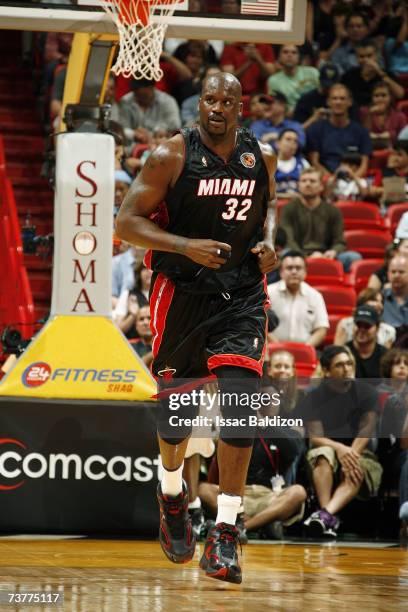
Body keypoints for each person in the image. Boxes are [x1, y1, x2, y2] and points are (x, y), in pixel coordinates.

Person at [115, 72, 278, 584]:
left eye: (227, 100)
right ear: (199, 102)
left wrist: (269, 248)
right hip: (182, 292)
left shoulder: (261, 158)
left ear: (239, 105)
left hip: (242, 294)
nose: (217, 106)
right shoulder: (170, 156)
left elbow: (265, 216)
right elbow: (125, 223)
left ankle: (226, 532)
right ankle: (170, 492)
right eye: (210, 98)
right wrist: (185, 245)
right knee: (177, 409)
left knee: (240, 399)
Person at [301, 345, 382, 538]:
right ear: (327, 372)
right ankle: (326, 517)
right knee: (323, 455)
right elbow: (315, 437)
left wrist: (350, 454)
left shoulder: (367, 392)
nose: (347, 369)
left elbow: (367, 430)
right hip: (327, 448)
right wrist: (339, 448)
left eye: (349, 363)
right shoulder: (313, 397)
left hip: (361, 451)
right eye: (340, 365)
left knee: (356, 466)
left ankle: (323, 516)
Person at [278, 167, 361, 272]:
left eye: (312, 181)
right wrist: (304, 256)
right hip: (297, 254)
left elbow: (340, 241)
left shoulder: (333, 211)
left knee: (354, 257)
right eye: (303, 181)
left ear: (321, 186)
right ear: (298, 185)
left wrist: (333, 252)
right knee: (284, 255)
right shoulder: (288, 209)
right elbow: (288, 240)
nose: (307, 184)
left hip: (326, 254)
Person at [305, 83, 372, 177]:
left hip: (353, 181)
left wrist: (352, 181)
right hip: (325, 180)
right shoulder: (316, 129)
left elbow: (364, 164)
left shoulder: (361, 132)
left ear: (350, 102)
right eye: (334, 98)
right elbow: (314, 162)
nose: (338, 102)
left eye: (342, 98)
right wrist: (332, 181)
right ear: (328, 102)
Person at [267, 251, 329, 347]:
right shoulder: (268, 293)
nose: (294, 272)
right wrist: (278, 347)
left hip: (305, 352)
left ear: (305, 272)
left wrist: (304, 349)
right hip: (272, 351)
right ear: (281, 272)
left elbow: (321, 329)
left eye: (298, 268)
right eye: (289, 268)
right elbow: (261, 325)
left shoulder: (315, 296)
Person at [341, 39, 404, 108]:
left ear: (377, 55)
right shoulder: (348, 76)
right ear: (356, 58)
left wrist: (379, 72)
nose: (366, 60)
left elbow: (400, 94)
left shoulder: (387, 74)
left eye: (369, 56)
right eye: (361, 56)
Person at [119, 77, 181, 145]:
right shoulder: (126, 101)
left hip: (161, 144)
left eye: (144, 95)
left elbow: (175, 126)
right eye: (137, 95)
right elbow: (121, 128)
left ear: (152, 88)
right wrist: (134, 134)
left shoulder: (168, 101)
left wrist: (154, 132)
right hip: (133, 145)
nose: (140, 98)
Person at [267, 45, 319, 114]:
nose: (289, 55)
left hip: (312, 114)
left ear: (298, 57)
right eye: (285, 52)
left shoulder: (313, 73)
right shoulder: (273, 80)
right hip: (288, 117)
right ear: (279, 57)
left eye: (294, 52)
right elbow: (274, 105)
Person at [346, 305, 388, 379]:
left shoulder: (386, 356)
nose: (362, 330)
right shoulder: (343, 353)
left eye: (367, 326)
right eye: (358, 325)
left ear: (377, 328)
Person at [275, 129, 310, 195]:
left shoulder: (303, 163)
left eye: (295, 141)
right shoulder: (267, 164)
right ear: (278, 144)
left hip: (297, 204)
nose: (292, 143)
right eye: (288, 139)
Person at [382, 254, 408, 330]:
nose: (396, 275)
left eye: (401, 272)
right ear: (388, 274)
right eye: (393, 272)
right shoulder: (379, 298)